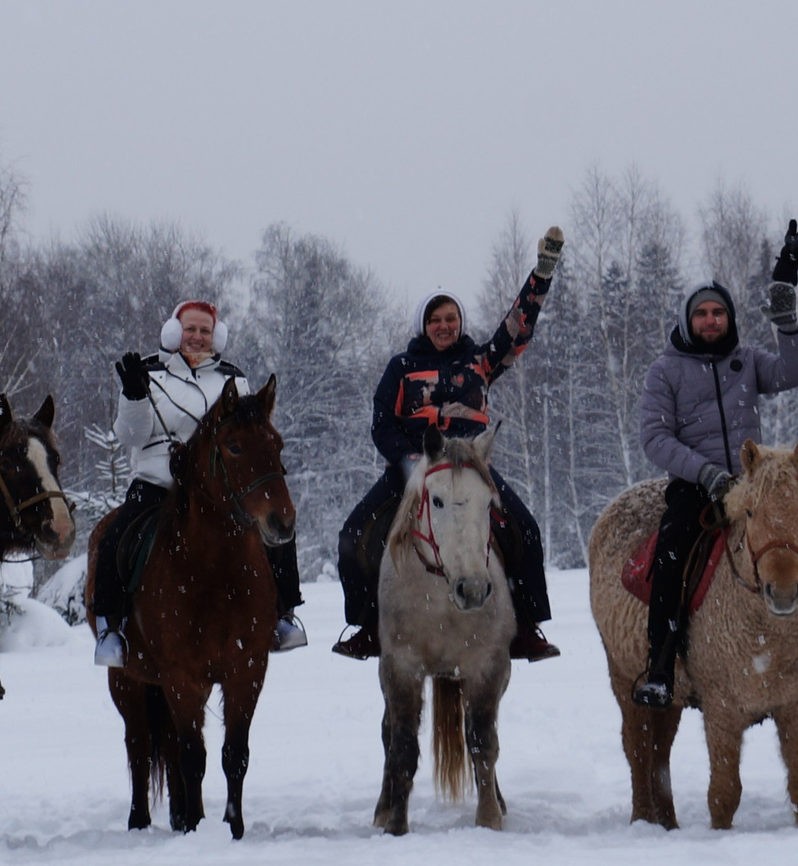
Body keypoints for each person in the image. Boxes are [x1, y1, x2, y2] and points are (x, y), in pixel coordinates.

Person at [333, 227, 566, 663]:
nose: (444, 326)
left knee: (526, 529)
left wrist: (542, 275)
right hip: (414, 466)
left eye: (451, 319)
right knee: (352, 535)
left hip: (471, 466)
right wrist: (408, 462)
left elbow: (518, 329)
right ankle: (367, 626)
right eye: (436, 320)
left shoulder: (479, 360)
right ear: (424, 324)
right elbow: (382, 423)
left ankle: (526, 627)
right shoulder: (400, 367)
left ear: (460, 323)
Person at [627, 219, 798, 708]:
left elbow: (797, 371)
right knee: (671, 554)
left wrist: (786, 317)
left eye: (719, 313)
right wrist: (703, 471)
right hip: (696, 486)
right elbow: (654, 437)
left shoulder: (749, 359)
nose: (712, 321)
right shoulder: (665, 370)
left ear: (730, 318)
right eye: (703, 314)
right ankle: (660, 667)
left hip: (752, 485)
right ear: (688, 320)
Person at [91, 299, 307, 666]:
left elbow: (247, 433)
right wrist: (132, 395)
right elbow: (131, 435)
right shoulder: (149, 374)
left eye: (205, 331)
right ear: (174, 332)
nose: (197, 337)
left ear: (215, 336)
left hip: (219, 488)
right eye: (190, 329)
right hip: (158, 480)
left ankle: (284, 615)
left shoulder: (233, 379)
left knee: (276, 526)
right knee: (117, 535)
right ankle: (113, 627)